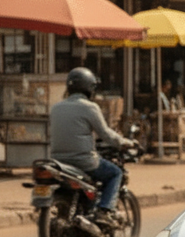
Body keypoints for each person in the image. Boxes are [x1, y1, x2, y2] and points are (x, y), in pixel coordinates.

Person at [49, 67, 133, 224]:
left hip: (58, 162)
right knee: (115, 173)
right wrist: (125, 142)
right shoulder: (90, 107)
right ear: (89, 88)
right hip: (84, 162)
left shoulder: (55, 108)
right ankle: (104, 211)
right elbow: (106, 134)